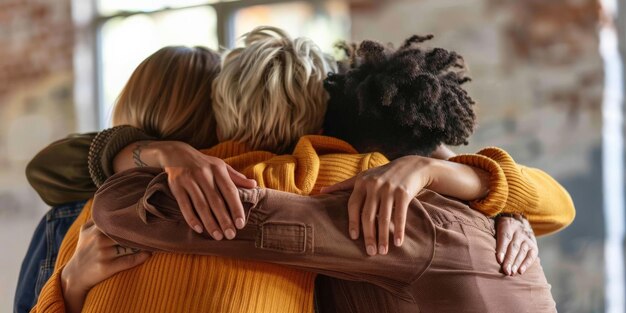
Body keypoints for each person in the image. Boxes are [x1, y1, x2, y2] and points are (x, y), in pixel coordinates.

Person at [26, 27, 572, 312]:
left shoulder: (118, 198)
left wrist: (74, 279)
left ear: (220, 109)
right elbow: (558, 205)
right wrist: (468, 187)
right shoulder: (351, 178)